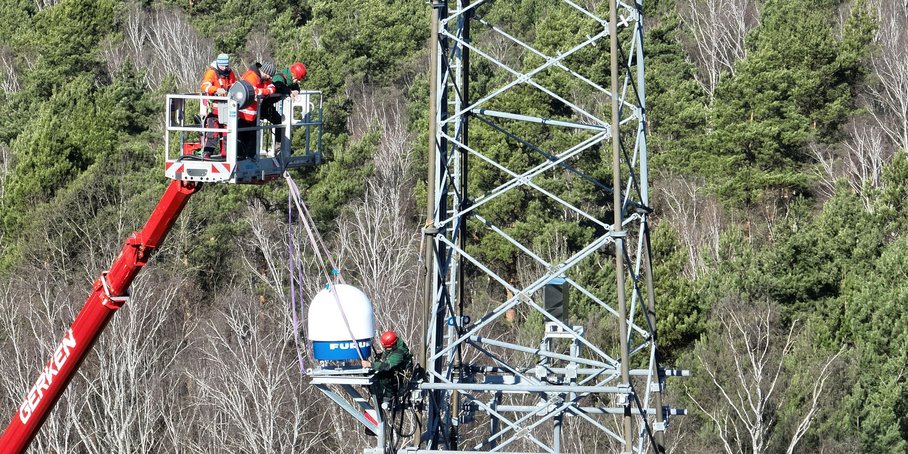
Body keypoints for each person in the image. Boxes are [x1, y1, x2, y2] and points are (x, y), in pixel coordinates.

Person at [362, 330, 413, 408]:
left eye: (387, 347)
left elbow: (387, 365)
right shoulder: (395, 346)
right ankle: (377, 392)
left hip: (398, 380)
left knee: (384, 376)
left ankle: (387, 396)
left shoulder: (399, 353)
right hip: (395, 373)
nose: (386, 349)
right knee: (378, 373)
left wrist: (370, 365)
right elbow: (387, 354)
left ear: (393, 344)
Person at [237, 61, 277, 160]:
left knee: (253, 137)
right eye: (269, 76)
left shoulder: (262, 78)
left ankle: (250, 156)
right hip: (243, 114)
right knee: (242, 138)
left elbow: (272, 87)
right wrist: (263, 92)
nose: (270, 79)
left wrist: (264, 91)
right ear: (265, 72)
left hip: (253, 115)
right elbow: (253, 92)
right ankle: (240, 157)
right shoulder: (251, 76)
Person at [262, 61, 307, 148]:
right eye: (298, 79)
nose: (298, 82)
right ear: (293, 75)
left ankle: (278, 147)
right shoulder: (280, 77)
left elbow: (296, 88)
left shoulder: (290, 81)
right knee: (251, 128)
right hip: (260, 106)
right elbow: (278, 85)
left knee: (279, 122)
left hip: (267, 107)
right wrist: (289, 91)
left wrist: (296, 91)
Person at [199, 53, 236, 157]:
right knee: (213, 134)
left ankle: (226, 155)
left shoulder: (230, 73)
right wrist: (216, 89)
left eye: (226, 66)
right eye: (223, 66)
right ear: (218, 64)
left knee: (227, 133)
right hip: (214, 110)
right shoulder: (211, 73)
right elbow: (204, 87)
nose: (224, 68)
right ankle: (207, 154)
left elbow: (235, 84)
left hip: (227, 109)